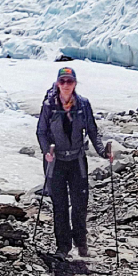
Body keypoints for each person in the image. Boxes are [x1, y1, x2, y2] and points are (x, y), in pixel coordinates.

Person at [36, 67, 112, 258]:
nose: (66, 85)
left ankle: (81, 242)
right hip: (56, 161)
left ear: (75, 83)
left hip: (77, 160)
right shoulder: (49, 106)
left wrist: (103, 152)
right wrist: (47, 152)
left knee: (80, 202)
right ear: (57, 84)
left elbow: (92, 131)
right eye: (63, 81)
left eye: (70, 81)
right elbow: (41, 131)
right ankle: (63, 247)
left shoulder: (83, 105)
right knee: (59, 204)